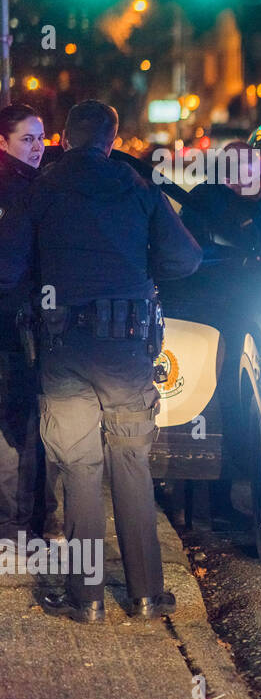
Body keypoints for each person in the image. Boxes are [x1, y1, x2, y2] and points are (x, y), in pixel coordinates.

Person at [0, 101, 203, 622]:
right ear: (111, 140)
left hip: (63, 349)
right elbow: (186, 259)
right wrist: (135, 263)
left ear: (65, 138)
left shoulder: (42, 188)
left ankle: (86, 598)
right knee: (132, 464)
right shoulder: (136, 186)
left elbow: (7, 267)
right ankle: (146, 595)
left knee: (78, 469)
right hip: (127, 349)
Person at [0, 105, 45, 543]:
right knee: (17, 427)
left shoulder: (33, 184)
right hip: (14, 327)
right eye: (26, 139)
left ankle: (19, 525)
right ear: (3, 142)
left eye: (41, 138)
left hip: (20, 324)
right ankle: (15, 528)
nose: (36, 147)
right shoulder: (19, 191)